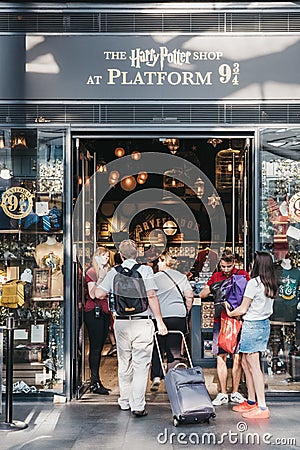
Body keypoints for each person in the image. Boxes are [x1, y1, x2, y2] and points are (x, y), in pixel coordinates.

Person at [95, 239, 167, 417]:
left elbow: (98, 294)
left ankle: (125, 401)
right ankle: (138, 405)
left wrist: (104, 278)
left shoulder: (114, 272)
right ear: (136, 254)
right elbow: (151, 296)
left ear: (120, 255)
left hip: (121, 323)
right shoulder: (145, 270)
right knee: (141, 365)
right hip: (142, 321)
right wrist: (159, 320)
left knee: (124, 362)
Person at [225, 251, 279, 419]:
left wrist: (230, 311)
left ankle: (262, 407)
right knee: (249, 365)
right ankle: (251, 401)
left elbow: (242, 308)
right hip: (263, 324)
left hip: (252, 325)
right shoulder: (270, 283)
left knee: (254, 367)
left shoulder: (254, 283)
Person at [200, 249, 249, 406]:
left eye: (228, 266)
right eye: (223, 266)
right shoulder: (216, 276)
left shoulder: (242, 274)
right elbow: (202, 294)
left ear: (234, 263)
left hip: (237, 319)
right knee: (221, 356)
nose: (226, 270)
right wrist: (216, 286)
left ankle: (234, 392)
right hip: (220, 320)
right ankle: (222, 393)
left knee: (237, 357)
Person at [150, 251, 194, 392]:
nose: (157, 264)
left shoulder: (154, 278)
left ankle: (156, 376)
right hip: (177, 315)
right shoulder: (181, 277)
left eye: (159, 261)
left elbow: (149, 297)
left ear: (164, 261)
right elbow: (189, 296)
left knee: (157, 346)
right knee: (175, 348)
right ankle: (173, 378)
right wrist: (186, 311)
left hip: (159, 316)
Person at [84, 246, 112, 395]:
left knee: (100, 347)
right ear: (96, 257)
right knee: (95, 347)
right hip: (94, 311)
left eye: (107, 256)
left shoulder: (107, 271)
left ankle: (96, 380)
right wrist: (102, 278)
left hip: (105, 311)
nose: (106, 259)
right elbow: (93, 294)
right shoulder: (92, 272)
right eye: (103, 256)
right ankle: (94, 381)